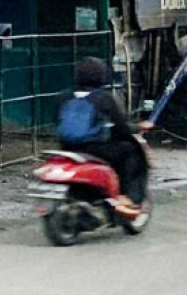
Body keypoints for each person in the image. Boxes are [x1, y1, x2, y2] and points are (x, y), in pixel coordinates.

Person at [58, 56, 150, 215]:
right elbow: (121, 127)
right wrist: (137, 127)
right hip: (95, 149)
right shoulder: (104, 98)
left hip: (67, 147)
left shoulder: (64, 96)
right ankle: (130, 197)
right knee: (131, 152)